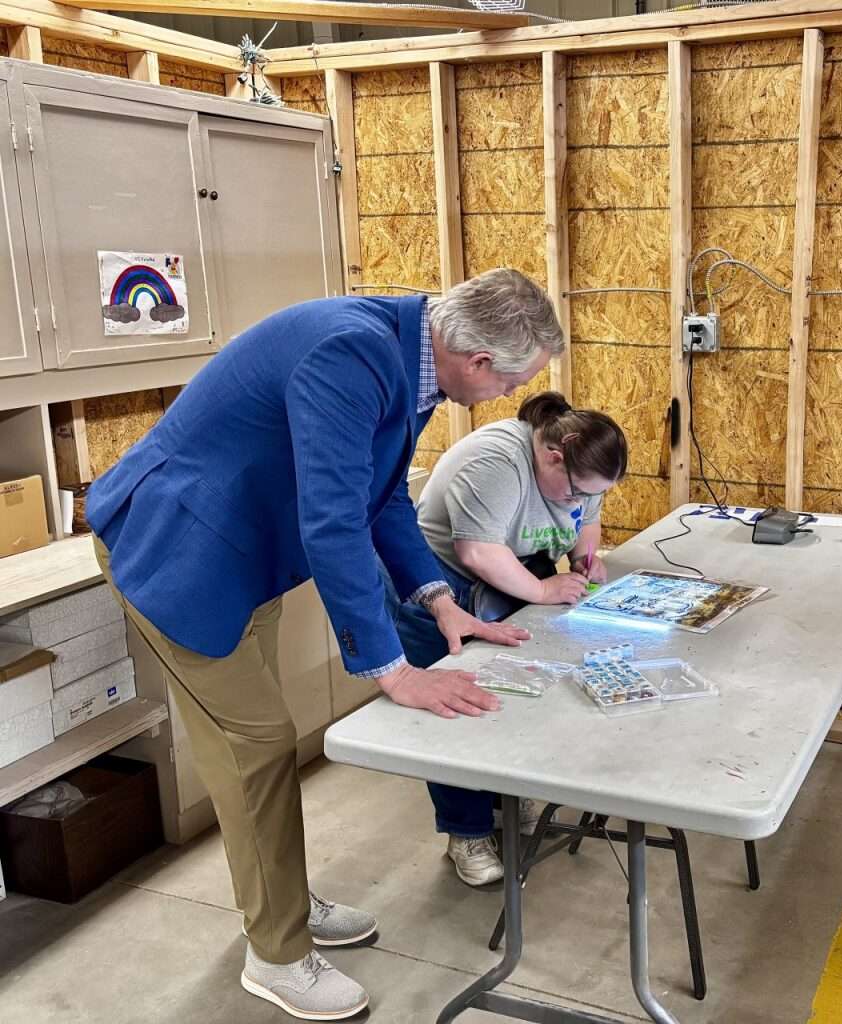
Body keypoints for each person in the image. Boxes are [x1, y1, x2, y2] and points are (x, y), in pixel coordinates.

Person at [85, 268, 563, 1021]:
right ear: (477, 361)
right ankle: (276, 954)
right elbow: (334, 521)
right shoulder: (352, 354)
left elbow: (381, 496)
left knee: (255, 754)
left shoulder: (410, 352)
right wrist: (390, 669)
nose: (511, 397)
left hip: (241, 555)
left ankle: (283, 901)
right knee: (259, 749)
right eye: (515, 381)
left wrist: (438, 601)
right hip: (178, 552)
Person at [383, 390, 627, 885]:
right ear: (554, 455)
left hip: (509, 577)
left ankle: (506, 799)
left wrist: (584, 559)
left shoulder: (581, 468)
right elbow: (476, 553)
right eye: (576, 490)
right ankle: (466, 832)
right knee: (457, 708)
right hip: (441, 588)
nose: (579, 500)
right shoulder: (496, 461)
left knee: (517, 690)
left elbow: (588, 520)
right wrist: (542, 587)